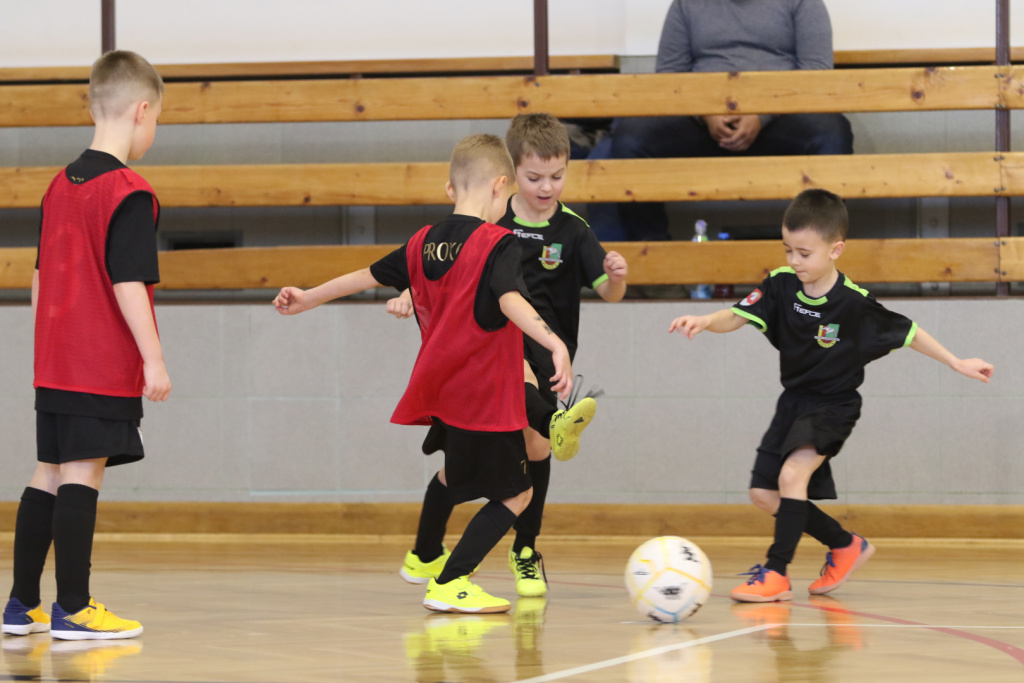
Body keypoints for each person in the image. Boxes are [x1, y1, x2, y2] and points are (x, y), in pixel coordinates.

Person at [273, 134, 580, 614]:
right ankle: (451, 582)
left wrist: (307, 297)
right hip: (486, 394)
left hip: (445, 395)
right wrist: (554, 342)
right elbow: (510, 300)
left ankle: (425, 556)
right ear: (500, 186)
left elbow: (365, 276)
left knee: (456, 478)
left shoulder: (422, 242)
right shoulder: (497, 242)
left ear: (451, 188)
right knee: (517, 493)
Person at [668, 189, 992, 602]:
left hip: (834, 405)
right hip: (793, 402)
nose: (794, 261)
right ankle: (844, 545)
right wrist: (705, 319)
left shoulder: (853, 304)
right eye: (788, 250)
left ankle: (776, 573)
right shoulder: (781, 284)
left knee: (792, 477)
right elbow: (736, 315)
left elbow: (909, 332)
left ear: (835, 249)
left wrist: (956, 362)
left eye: (804, 253)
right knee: (764, 494)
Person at [389, 113, 628, 599]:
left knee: (533, 454)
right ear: (509, 174)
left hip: (549, 354)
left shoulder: (574, 229)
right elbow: (444, 272)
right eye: (535, 177)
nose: (547, 186)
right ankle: (436, 557)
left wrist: (617, 277)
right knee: (502, 448)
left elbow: (608, 291)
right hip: (491, 349)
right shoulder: (491, 222)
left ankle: (520, 549)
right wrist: (410, 294)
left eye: (557, 176)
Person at [2, 50, 170, 640]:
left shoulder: (58, 185)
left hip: (54, 359)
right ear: (142, 111)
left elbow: (39, 277)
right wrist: (153, 358)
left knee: (48, 471)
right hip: (97, 362)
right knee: (81, 472)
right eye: (157, 121)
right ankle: (74, 607)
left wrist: (49, 345)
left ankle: (22, 605)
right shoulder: (128, 191)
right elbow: (128, 283)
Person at [595, 0, 854, 242]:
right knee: (632, 139)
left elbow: (816, 71)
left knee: (833, 133)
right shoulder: (687, 4)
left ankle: (817, 251)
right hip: (702, 120)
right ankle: (652, 257)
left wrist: (762, 114)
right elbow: (670, 75)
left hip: (781, 117)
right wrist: (705, 111)